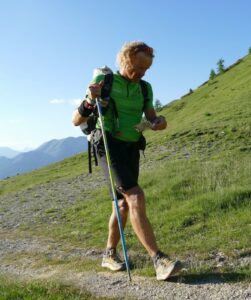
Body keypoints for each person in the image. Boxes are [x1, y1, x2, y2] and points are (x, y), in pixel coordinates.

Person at [72, 41, 182, 281]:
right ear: (125, 61)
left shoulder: (145, 88)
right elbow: (76, 119)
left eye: (146, 68)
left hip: (132, 146)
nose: (141, 72)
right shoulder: (106, 81)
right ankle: (159, 260)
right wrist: (90, 101)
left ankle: (108, 254)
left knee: (122, 204)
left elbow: (151, 116)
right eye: (138, 66)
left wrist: (158, 122)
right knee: (135, 196)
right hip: (108, 146)